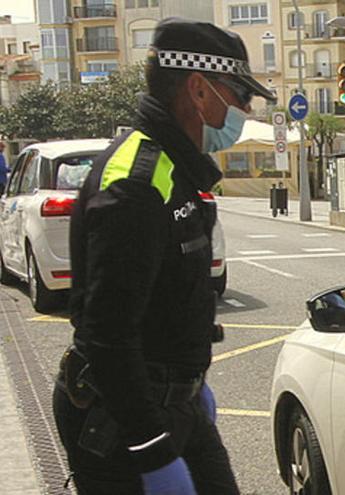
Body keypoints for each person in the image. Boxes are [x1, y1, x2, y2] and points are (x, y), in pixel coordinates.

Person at [52, 19, 275, 495]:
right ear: (198, 90)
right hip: (123, 425)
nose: (245, 109)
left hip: (176, 402)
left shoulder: (175, 169)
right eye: (239, 95)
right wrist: (152, 451)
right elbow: (107, 333)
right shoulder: (137, 183)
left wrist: (192, 382)